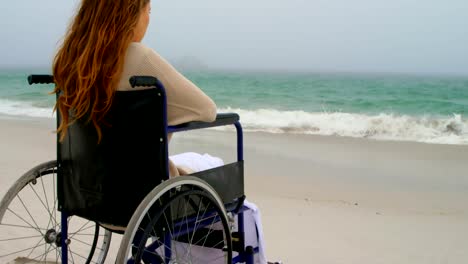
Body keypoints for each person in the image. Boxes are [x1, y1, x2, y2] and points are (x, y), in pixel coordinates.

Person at [52, 0, 216, 177]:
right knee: (213, 163)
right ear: (130, 15)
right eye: (149, 11)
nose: (148, 20)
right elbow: (206, 110)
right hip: (144, 187)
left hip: (87, 188)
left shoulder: (69, 62)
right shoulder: (138, 56)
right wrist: (160, 116)